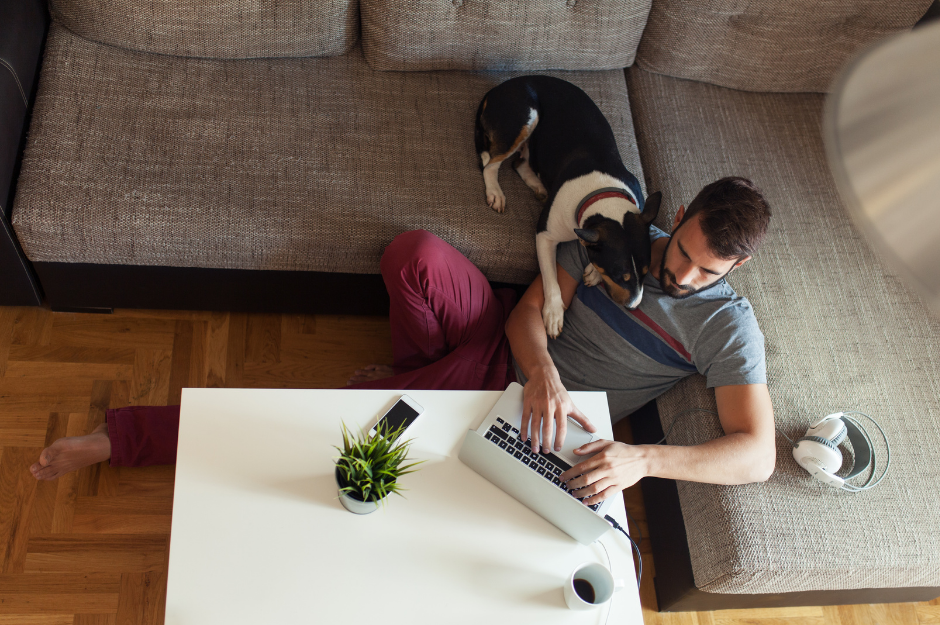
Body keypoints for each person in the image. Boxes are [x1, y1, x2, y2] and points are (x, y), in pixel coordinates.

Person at [31, 176, 775, 506]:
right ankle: (406, 386)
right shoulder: (626, 238)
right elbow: (525, 316)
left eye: (702, 269)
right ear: (678, 215)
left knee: (319, 433)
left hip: (534, 420)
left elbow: (756, 452)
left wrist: (641, 458)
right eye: (678, 249)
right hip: (505, 350)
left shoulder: (726, 328)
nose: (676, 273)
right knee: (414, 256)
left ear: (736, 266)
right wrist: (541, 365)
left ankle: (120, 438)